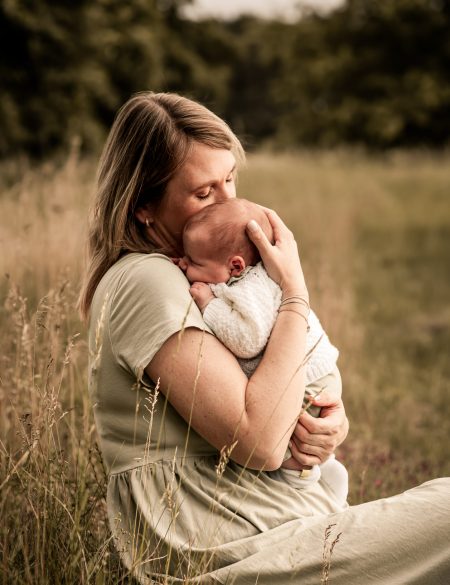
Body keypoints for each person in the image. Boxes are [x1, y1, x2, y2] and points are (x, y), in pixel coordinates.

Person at [79, 91, 450, 584]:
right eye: (204, 193)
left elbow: (273, 390)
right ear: (144, 206)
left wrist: (327, 428)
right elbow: (259, 441)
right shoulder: (150, 280)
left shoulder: (210, 278)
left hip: (283, 527)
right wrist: (295, 291)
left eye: (230, 179)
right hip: (232, 552)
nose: (234, 206)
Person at [178, 197, 348, 505]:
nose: (184, 264)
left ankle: (308, 485)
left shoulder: (252, 288)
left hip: (312, 378)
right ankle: (321, 475)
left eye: (194, 261)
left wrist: (209, 306)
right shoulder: (234, 276)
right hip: (311, 370)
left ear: (236, 266)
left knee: (291, 447)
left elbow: (248, 340)